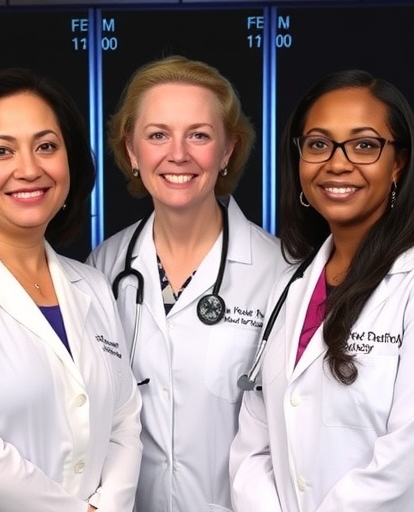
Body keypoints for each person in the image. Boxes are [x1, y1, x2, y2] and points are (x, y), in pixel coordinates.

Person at [0, 68, 142, 512]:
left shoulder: (91, 284)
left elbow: (124, 421)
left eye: (46, 146)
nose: (29, 169)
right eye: (1, 150)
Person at [85, 55, 287, 512]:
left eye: (199, 135)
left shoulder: (282, 272)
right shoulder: (102, 268)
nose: (178, 154)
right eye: (158, 135)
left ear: (228, 151)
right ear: (132, 151)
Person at [229, 69, 414, 511]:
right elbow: (253, 448)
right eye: (318, 144)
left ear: (398, 164)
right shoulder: (292, 285)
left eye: (364, 145)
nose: (337, 163)